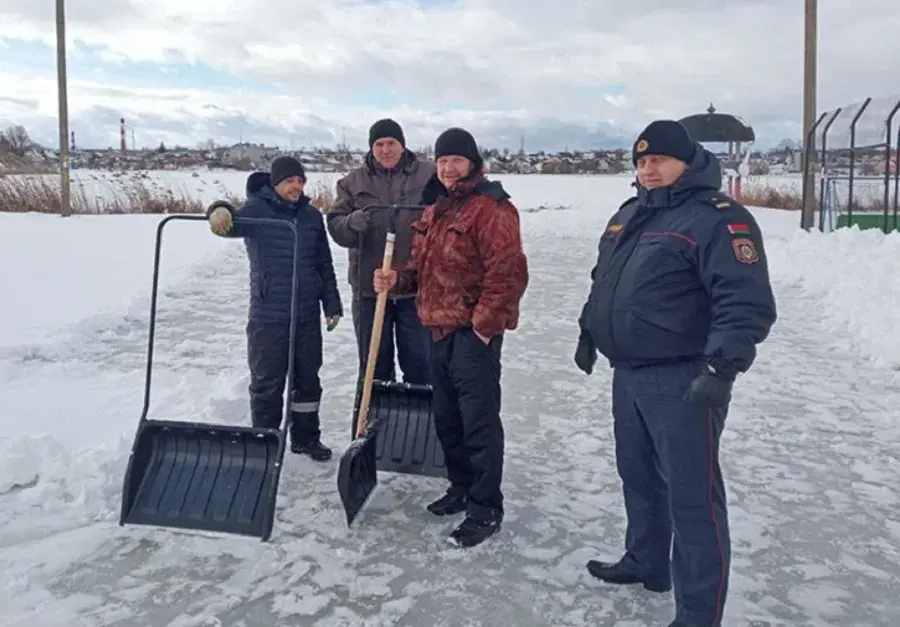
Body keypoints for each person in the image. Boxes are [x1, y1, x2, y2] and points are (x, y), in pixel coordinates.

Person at [574, 119, 777, 626]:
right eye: (642, 162)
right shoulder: (629, 215)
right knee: (639, 477)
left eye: (660, 159)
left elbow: (745, 301)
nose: (649, 169)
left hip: (684, 378)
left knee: (693, 501)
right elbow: (606, 280)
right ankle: (647, 561)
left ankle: (698, 613)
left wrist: (721, 367)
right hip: (630, 373)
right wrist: (588, 330)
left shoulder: (717, 219)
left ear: (688, 161)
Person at [373, 127, 529, 548]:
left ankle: (485, 507)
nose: (447, 168)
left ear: (472, 162)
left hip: (471, 334)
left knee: (478, 424)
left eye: (455, 160)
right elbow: (420, 271)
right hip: (436, 329)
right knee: (447, 419)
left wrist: (482, 327)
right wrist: (396, 278)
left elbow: (507, 274)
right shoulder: (437, 210)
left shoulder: (491, 209)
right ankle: (460, 487)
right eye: (442, 161)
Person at [207, 156, 342, 462]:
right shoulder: (257, 210)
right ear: (275, 184)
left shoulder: (311, 216)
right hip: (269, 317)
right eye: (289, 181)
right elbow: (228, 225)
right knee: (268, 383)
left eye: (300, 181)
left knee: (308, 380)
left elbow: (324, 263)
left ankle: (306, 439)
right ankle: (264, 443)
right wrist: (217, 209)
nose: (296, 186)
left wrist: (331, 304)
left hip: (307, 315)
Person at [326, 118, 435, 385]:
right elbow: (336, 227)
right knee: (375, 366)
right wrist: (352, 222)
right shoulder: (351, 182)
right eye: (379, 144)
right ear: (371, 148)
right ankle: (374, 421)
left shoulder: (428, 175)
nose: (386, 150)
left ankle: (416, 423)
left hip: (416, 289)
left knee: (420, 365)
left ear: (402, 144)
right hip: (369, 290)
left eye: (391, 143)